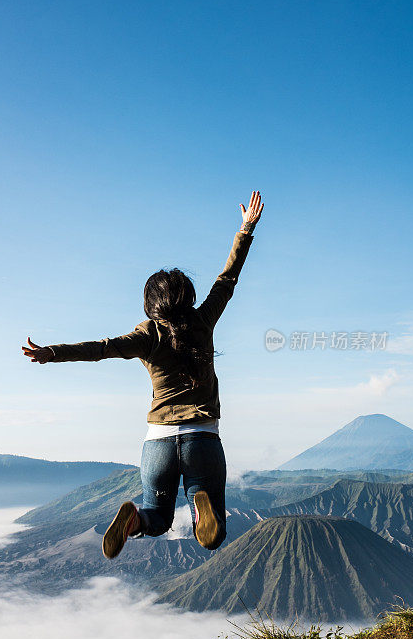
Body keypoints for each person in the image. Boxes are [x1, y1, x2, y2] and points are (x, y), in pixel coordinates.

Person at [22, 191, 264, 560]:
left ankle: (135, 518)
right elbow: (226, 279)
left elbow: (100, 348)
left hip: (158, 444)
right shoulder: (203, 320)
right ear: (187, 296)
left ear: (151, 305)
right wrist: (245, 230)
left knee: (157, 517)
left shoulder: (146, 335)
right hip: (202, 439)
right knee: (213, 535)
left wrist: (51, 353)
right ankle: (202, 510)